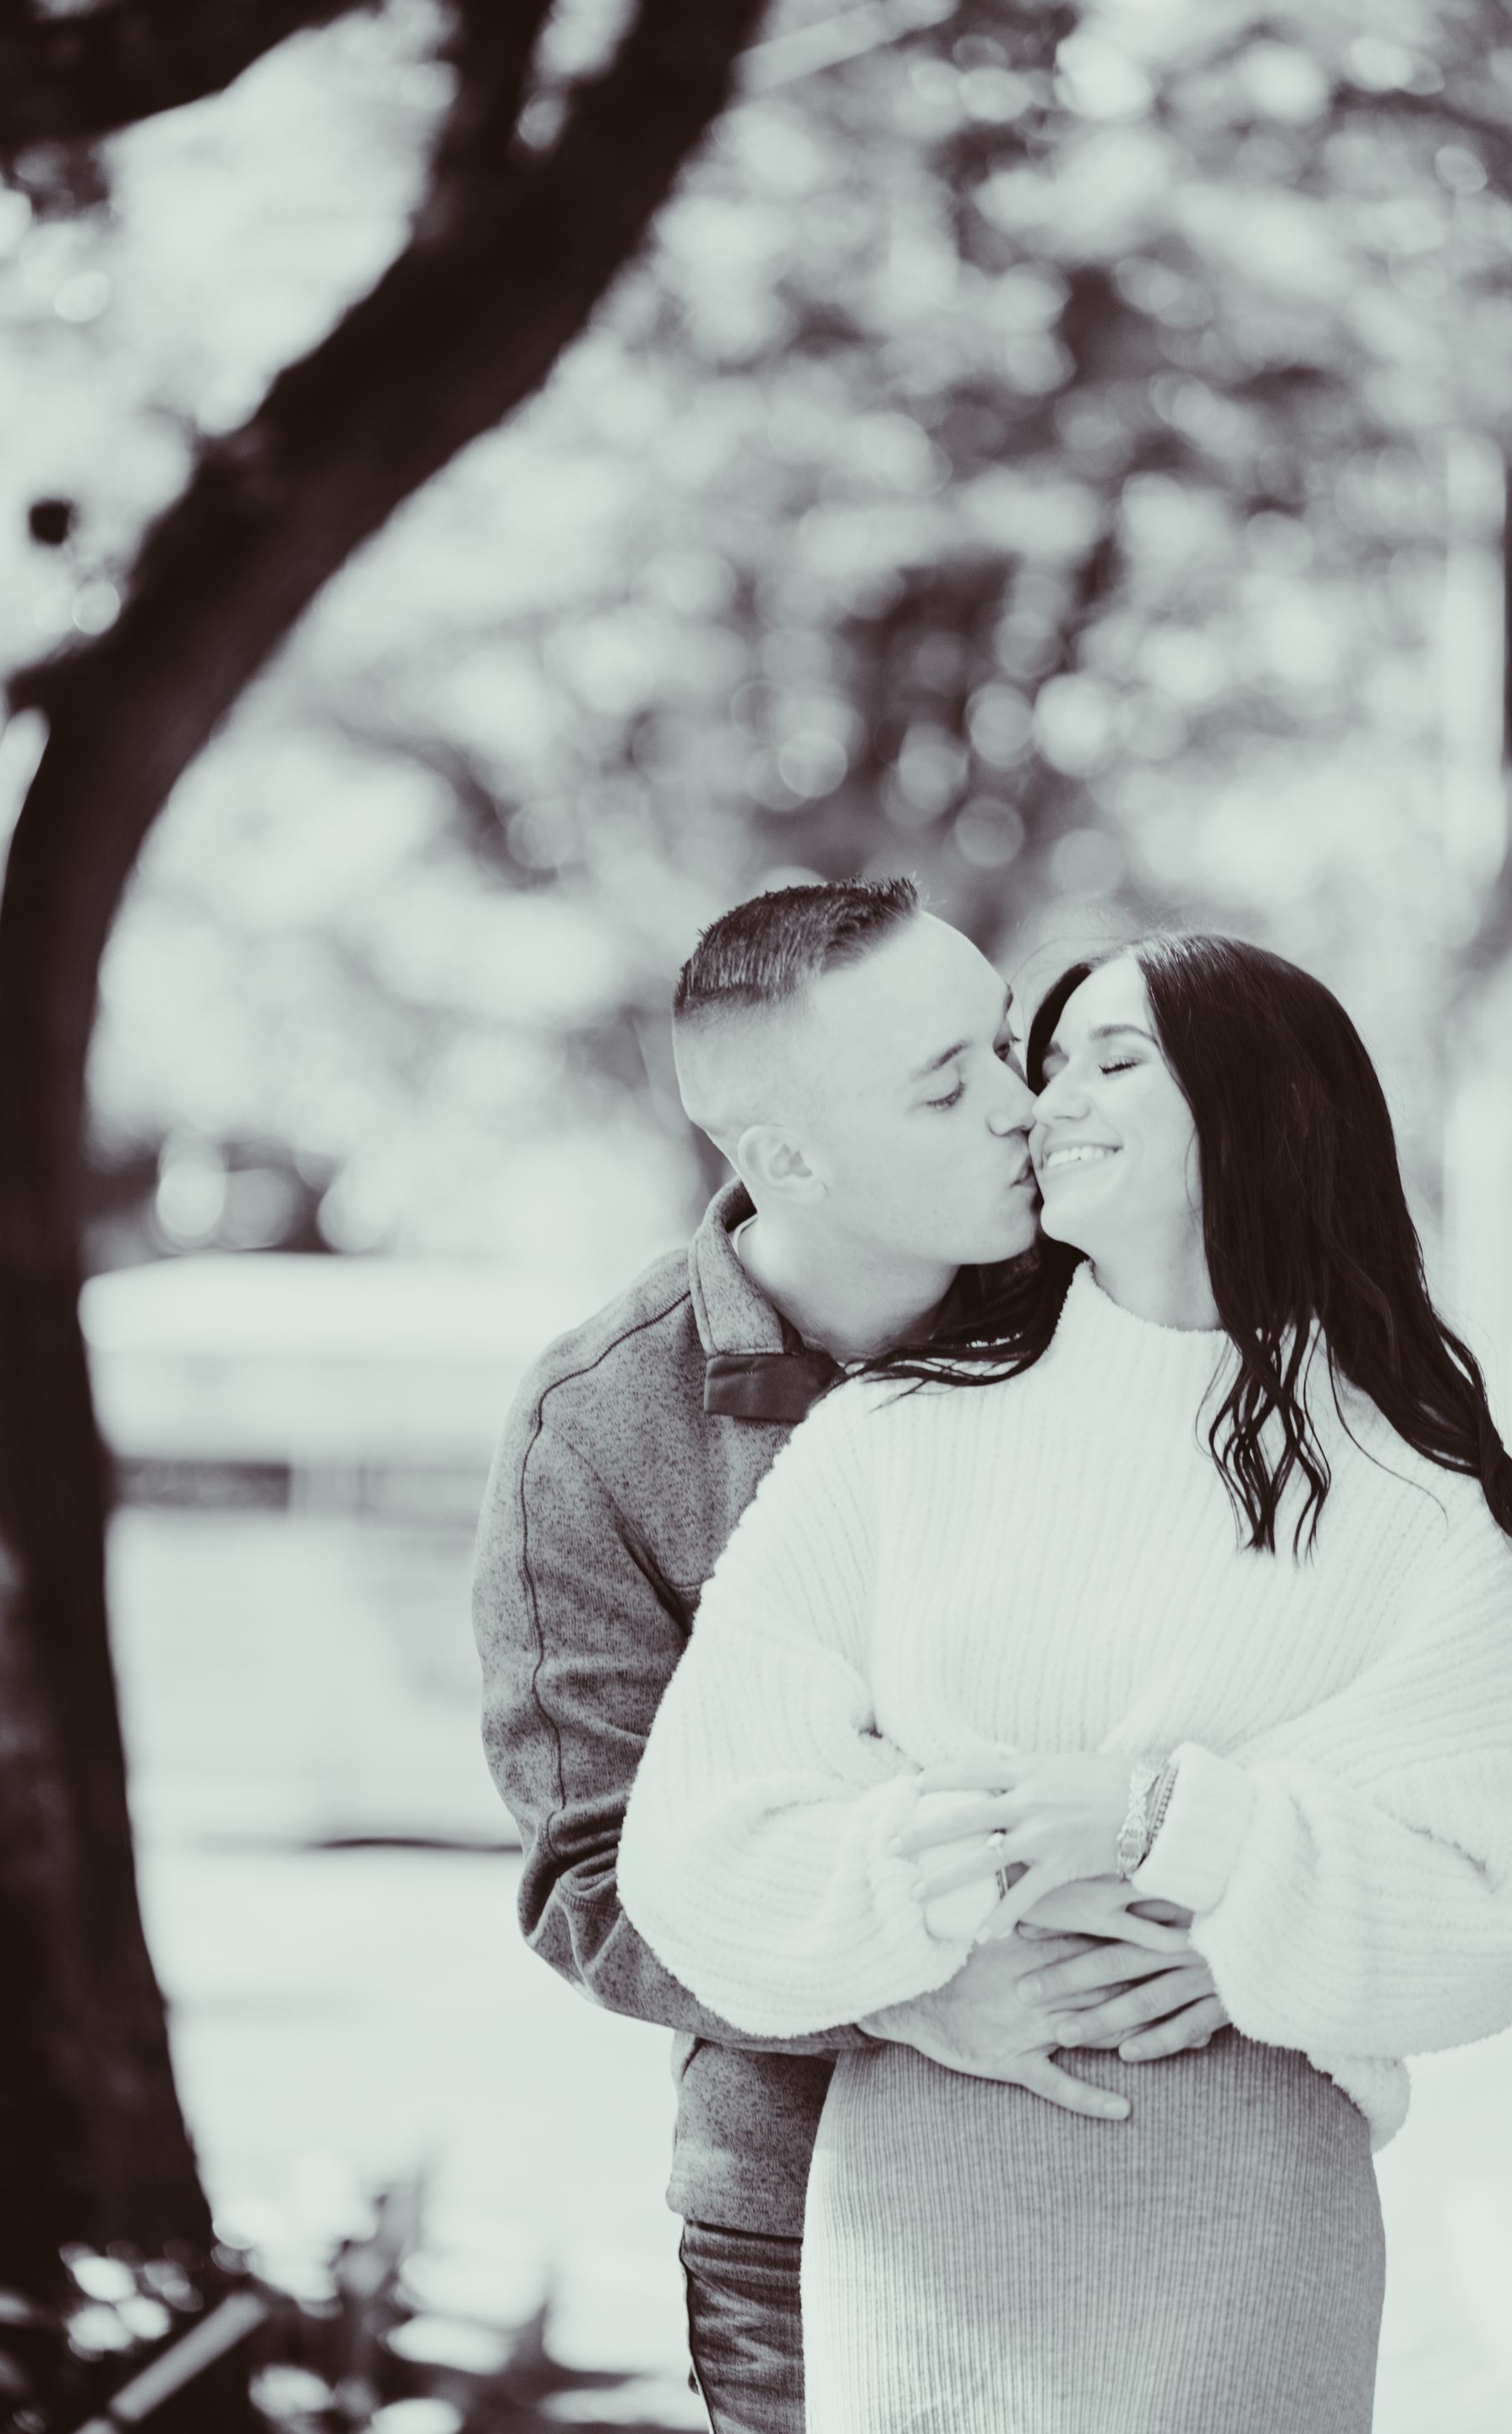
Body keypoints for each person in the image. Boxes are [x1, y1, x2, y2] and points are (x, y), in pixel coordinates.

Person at [619, 930, 1512, 2434]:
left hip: (1254, 2204)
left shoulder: (1420, 1501)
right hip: (922, 2199)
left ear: (1260, 1111)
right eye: (1050, 1061)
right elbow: (693, 1848)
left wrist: (1171, 1824)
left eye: (1115, 1060)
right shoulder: (893, 1439)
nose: (1043, 1103)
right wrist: (952, 1895)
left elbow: (1484, 1915)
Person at [472, 883, 1228, 2434]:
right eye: (948, 1087)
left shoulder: (1131, 1310)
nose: (1026, 1109)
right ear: (785, 1160)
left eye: (1004, 1048)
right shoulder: (598, 1428)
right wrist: (905, 1996)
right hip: (800, 2219)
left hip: (1167, 2155)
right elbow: (591, 1878)